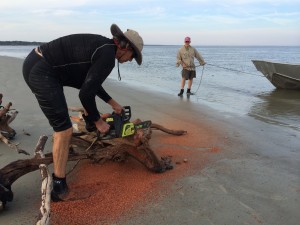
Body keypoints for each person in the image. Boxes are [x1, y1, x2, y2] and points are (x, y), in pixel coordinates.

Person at [22, 24, 143, 201]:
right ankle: (59, 189)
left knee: (71, 120)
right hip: (42, 71)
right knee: (63, 130)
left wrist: (112, 103)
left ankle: (59, 183)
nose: (131, 60)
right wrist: (98, 121)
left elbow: (89, 83)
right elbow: (85, 93)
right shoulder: (107, 55)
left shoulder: (104, 47)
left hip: (38, 63)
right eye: (134, 56)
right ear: (125, 47)